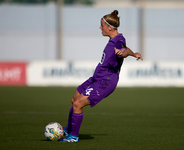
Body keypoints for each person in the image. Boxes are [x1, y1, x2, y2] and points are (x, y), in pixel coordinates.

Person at [60, 10, 143, 142]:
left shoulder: (118, 41)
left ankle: (73, 137)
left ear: (110, 27)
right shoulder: (117, 39)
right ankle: (68, 129)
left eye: (102, 26)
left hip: (106, 81)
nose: (100, 28)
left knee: (77, 104)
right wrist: (135, 54)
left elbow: (124, 49)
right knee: (74, 99)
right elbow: (126, 48)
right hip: (96, 78)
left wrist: (125, 53)